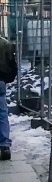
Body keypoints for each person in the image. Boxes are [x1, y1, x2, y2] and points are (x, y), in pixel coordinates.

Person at [0, 30, 14, 162]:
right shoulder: (5, 44)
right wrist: (6, 79)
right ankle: (4, 145)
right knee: (2, 114)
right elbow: (12, 65)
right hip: (0, 82)